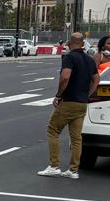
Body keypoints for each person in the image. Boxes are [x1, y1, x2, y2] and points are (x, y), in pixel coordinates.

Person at [39, 32, 98, 179]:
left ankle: (54, 166)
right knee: (76, 138)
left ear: (70, 43)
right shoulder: (90, 60)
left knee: (53, 130)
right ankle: (73, 170)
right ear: (83, 44)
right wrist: (88, 94)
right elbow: (96, 80)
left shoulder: (69, 58)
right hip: (82, 103)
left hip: (69, 101)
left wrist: (58, 95)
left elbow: (65, 77)